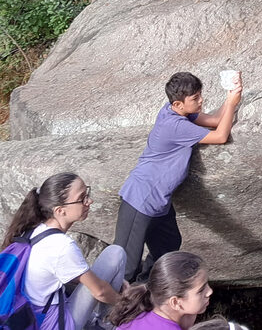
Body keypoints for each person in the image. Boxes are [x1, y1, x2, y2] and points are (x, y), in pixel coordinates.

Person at [114, 72, 242, 283]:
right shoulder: (174, 126)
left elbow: (216, 120)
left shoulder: (176, 112)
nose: (201, 101)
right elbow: (220, 136)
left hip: (159, 201)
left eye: (200, 95)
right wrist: (231, 103)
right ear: (178, 104)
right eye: (195, 98)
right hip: (140, 199)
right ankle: (110, 303)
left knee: (168, 245)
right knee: (126, 265)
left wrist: (232, 95)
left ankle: (144, 290)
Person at [1, 172, 125, 330]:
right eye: (82, 198)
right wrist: (126, 301)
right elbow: (100, 292)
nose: (89, 201)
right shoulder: (62, 246)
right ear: (60, 210)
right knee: (115, 253)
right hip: (53, 324)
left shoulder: (33, 231)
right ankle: (105, 324)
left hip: (29, 314)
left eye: (87, 193)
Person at [108, 251, 211, 330]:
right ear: (175, 302)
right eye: (201, 290)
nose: (210, 291)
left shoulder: (137, 314)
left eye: (207, 284)